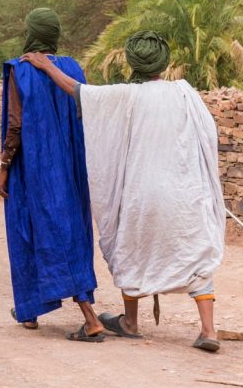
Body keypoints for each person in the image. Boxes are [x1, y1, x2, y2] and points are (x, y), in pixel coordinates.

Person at [22, 30, 225, 353]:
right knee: (195, 252)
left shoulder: (126, 96)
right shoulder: (184, 93)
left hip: (141, 195)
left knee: (130, 247)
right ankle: (208, 329)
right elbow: (207, 138)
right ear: (163, 61)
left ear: (133, 62)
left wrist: (46, 66)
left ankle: (130, 322)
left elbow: (78, 92)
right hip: (186, 192)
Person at [0, 8, 105, 343]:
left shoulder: (22, 68)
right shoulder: (72, 68)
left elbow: (16, 124)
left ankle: (89, 320)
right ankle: (30, 311)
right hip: (70, 167)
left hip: (35, 167)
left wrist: (3, 166)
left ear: (30, 32)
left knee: (29, 229)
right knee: (70, 229)